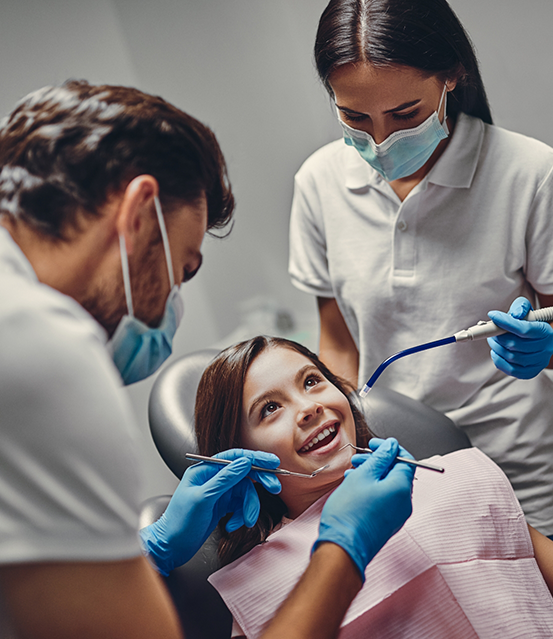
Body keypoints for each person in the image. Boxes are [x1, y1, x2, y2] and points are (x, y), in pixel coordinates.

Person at [0, 80, 413, 639]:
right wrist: (343, 550)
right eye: (182, 270)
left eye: (313, 381)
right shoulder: (40, 348)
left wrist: (150, 554)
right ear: (140, 213)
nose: (170, 304)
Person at [288, 0, 553, 537]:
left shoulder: (530, 174)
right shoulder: (318, 182)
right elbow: (338, 342)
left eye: (405, 115)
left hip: (514, 468)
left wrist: (543, 348)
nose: (380, 141)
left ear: (453, 74)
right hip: (396, 469)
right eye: (355, 117)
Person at [194, 336, 553, 638]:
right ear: (239, 457)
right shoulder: (256, 583)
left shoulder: (460, 475)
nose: (308, 407)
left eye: (311, 381)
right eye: (270, 408)